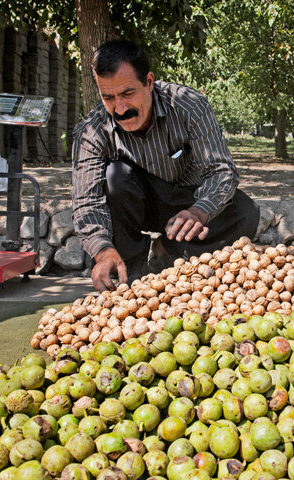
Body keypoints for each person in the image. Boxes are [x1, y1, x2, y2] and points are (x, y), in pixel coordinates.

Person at [71, 39, 260, 292]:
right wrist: (102, 250)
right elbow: (86, 202)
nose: (120, 108)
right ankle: (132, 269)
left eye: (127, 93)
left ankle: (167, 250)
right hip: (138, 201)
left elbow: (221, 171)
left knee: (246, 213)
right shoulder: (92, 130)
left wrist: (199, 211)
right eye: (108, 97)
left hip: (188, 201)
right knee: (115, 176)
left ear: (149, 82)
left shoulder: (188, 105)